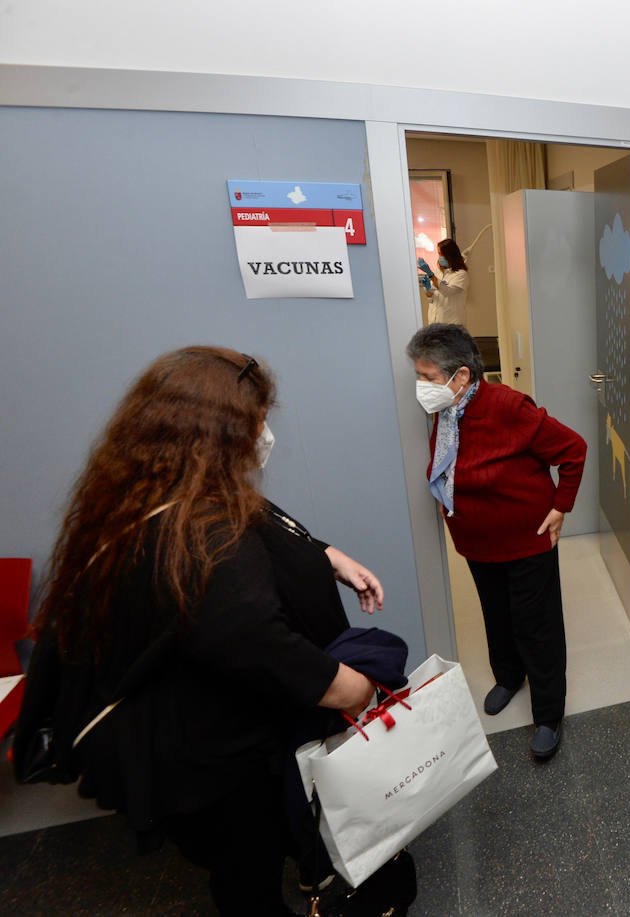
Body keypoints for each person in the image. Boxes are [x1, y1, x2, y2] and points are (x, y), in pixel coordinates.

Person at [15, 347, 383, 916]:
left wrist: (324, 554)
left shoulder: (151, 493)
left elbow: (260, 516)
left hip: (177, 729)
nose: (265, 432)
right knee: (248, 874)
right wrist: (354, 690)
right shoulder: (209, 539)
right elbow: (261, 646)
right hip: (209, 760)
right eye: (256, 420)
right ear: (219, 436)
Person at [406, 323, 585, 759]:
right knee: (496, 614)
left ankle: (548, 714)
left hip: (526, 539)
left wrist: (561, 506)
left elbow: (573, 450)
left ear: (461, 376)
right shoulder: (446, 412)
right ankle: (508, 677)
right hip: (476, 539)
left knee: (536, 625)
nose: (422, 387)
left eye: (428, 377)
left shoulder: (509, 407)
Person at [425, 238, 469, 326]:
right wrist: (428, 291)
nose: (439, 257)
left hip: (452, 324)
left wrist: (431, 276)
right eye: (439, 254)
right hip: (434, 322)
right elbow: (432, 298)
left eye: (441, 254)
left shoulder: (461, 275)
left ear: (450, 255)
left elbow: (447, 292)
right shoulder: (438, 272)